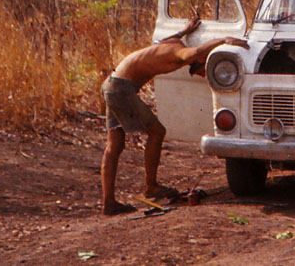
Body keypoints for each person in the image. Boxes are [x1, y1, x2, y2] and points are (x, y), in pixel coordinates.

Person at [100, 17, 249, 215]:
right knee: (157, 131)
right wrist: (224, 39)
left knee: (114, 146)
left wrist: (184, 31)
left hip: (111, 84)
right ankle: (151, 187)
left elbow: (171, 38)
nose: (202, 75)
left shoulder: (173, 43)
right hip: (121, 88)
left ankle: (108, 203)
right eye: (202, 71)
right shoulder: (182, 53)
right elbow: (196, 52)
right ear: (199, 60)